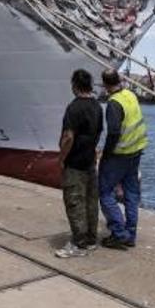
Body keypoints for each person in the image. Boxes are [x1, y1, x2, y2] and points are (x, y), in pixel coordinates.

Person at [54, 69, 103, 258]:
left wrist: (61, 158)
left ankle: (79, 244)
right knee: (91, 201)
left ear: (74, 85)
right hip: (90, 160)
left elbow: (68, 137)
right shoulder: (97, 107)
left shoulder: (74, 108)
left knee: (74, 202)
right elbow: (98, 132)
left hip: (74, 162)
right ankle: (91, 239)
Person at [98, 69, 147, 250]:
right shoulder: (130, 95)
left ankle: (119, 233)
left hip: (120, 154)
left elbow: (113, 133)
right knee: (132, 194)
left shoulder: (113, 103)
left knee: (105, 193)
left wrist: (105, 154)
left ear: (104, 84)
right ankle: (131, 234)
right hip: (136, 152)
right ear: (119, 80)